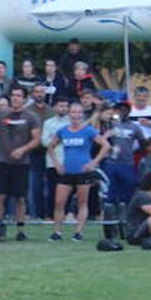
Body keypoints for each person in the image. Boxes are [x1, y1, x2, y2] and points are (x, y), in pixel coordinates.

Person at [47, 102, 109, 242]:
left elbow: (106, 145)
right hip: (66, 171)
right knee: (59, 202)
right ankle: (57, 232)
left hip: (83, 171)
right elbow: (51, 147)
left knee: (82, 202)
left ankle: (78, 232)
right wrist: (57, 164)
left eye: (79, 112)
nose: (76, 115)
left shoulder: (88, 130)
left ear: (82, 114)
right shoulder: (63, 131)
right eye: (73, 112)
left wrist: (94, 162)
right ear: (69, 114)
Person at [0, 87, 40, 241]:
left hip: (21, 163)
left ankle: (20, 229)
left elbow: (37, 139)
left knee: (20, 198)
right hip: (2, 161)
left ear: (24, 98)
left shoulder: (31, 117)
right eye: (13, 95)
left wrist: (23, 150)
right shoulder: (0, 113)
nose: (15, 98)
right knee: (0, 195)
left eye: (18, 96)